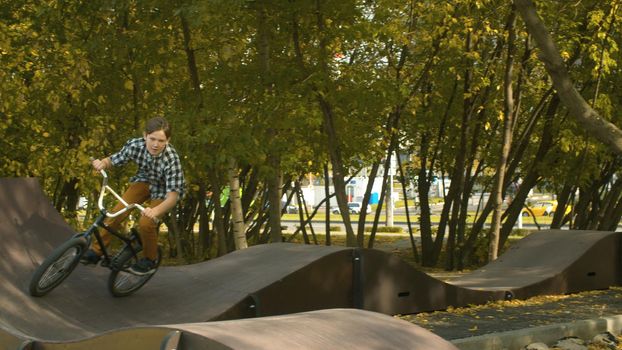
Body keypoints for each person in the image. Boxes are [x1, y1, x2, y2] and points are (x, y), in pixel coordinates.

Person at [81, 116, 185, 275]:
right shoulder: (136, 145)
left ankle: (150, 259)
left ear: (168, 140)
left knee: (146, 222)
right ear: (145, 136)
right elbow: (114, 159)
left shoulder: (172, 159)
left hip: (164, 191)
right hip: (144, 181)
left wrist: (154, 212)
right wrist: (102, 163)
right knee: (115, 213)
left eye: (161, 141)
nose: (156, 145)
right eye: (152, 139)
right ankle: (96, 251)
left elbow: (173, 197)